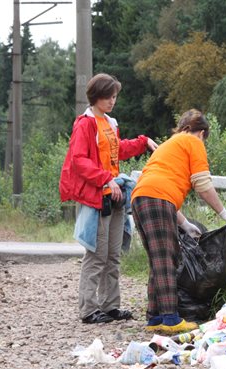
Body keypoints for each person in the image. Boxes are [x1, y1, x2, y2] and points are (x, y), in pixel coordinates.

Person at [60, 73, 158, 324]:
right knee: (96, 255)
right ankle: (88, 309)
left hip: (114, 196)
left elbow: (118, 150)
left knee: (113, 254)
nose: (112, 101)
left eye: (114, 96)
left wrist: (143, 142)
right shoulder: (85, 123)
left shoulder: (109, 123)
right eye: (108, 96)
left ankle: (110, 305)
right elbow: (79, 160)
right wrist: (105, 178)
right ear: (96, 96)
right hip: (96, 197)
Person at [131, 109, 226, 335]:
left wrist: (183, 223)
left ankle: (155, 317)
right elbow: (202, 184)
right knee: (168, 259)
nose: (203, 142)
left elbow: (165, 183)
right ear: (199, 132)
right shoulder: (193, 142)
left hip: (142, 197)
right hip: (157, 198)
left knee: (158, 258)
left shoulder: (170, 145)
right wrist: (223, 212)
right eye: (204, 137)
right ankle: (171, 319)